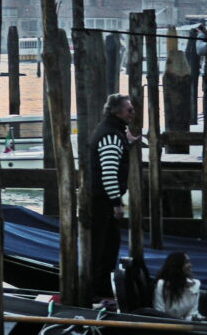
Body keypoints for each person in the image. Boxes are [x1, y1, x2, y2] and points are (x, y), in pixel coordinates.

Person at [89, 93, 138, 300]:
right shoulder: (110, 136)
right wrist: (116, 204)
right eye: (129, 109)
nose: (132, 113)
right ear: (117, 111)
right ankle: (99, 294)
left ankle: (102, 292)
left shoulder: (112, 131)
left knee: (109, 246)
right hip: (103, 203)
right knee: (105, 250)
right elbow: (109, 173)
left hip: (102, 200)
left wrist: (127, 141)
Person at [153, 252, 204, 320]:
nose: (190, 265)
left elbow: (192, 313)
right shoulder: (161, 285)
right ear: (177, 266)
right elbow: (159, 312)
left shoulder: (195, 285)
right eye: (186, 262)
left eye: (189, 262)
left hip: (185, 327)